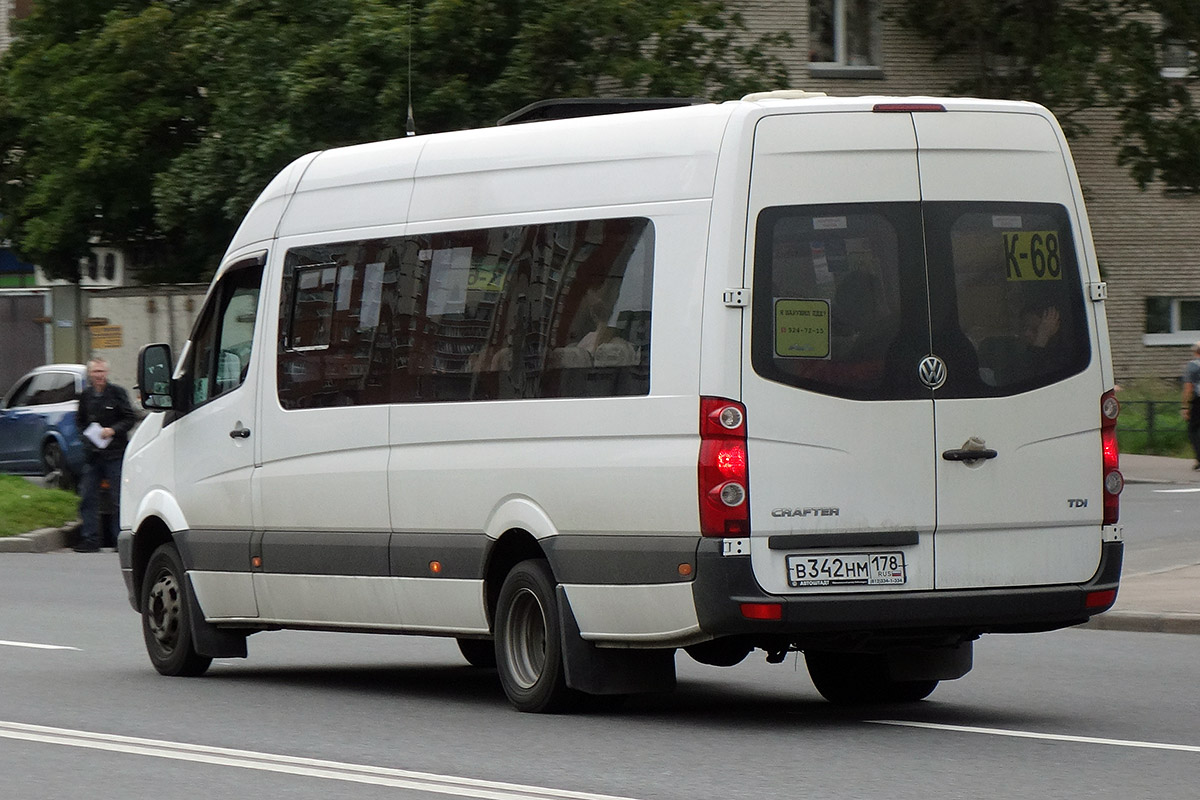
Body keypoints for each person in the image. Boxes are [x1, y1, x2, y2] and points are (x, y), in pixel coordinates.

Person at [74, 356, 137, 552]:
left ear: (107, 373)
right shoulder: (86, 396)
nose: (99, 376)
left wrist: (113, 430)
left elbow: (130, 417)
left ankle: (120, 540)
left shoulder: (117, 393)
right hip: (93, 456)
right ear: (90, 374)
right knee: (88, 497)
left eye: (101, 372)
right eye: (95, 372)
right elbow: (80, 422)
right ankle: (90, 539)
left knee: (118, 498)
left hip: (115, 454)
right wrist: (87, 439)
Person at [1181, 342, 1200, 470]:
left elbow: (1188, 388)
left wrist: (1185, 407)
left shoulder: (1192, 366)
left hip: (1198, 401)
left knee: (1194, 430)